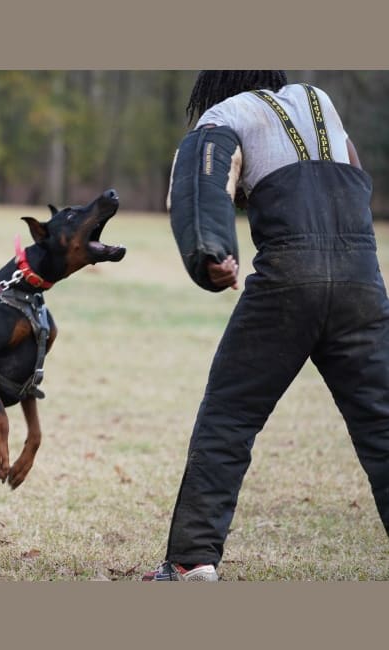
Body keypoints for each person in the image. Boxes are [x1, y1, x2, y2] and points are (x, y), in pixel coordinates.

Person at [144, 70, 389, 581]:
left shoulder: (227, 113)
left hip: (289, 279)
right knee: (382, 423)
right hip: (360, 277)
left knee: (229, 418)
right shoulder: (319, 100)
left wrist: (211, 252)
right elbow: (352, 167)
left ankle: (193, 561)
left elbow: (200, 178)